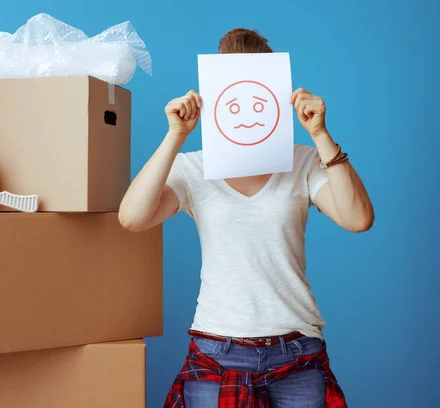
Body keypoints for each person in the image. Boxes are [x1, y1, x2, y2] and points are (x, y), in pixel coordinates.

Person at [118, 28, 374, 408]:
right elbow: (132, 218)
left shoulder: (302, 160)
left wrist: (320, 134)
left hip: (296, 350)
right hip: (216, 350)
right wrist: (175, 136)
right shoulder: (193, 168)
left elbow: (358, 219)